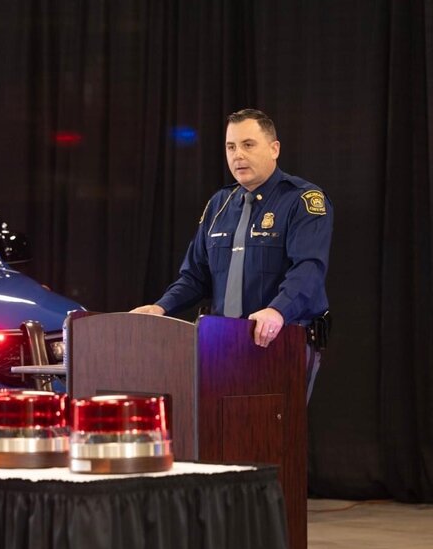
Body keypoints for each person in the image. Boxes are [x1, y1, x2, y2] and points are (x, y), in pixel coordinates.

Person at [132, 108, 332, 398]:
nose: (238, 155)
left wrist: (277, 311)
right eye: (231, 146)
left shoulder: (303, 200)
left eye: (248, 145)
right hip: (221, 345)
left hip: (280, 339)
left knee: (269, 438)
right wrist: (160, 308)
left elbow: (308, 270)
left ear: (274, 149)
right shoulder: (219, 204)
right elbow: (195, 277)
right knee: (219, 437)